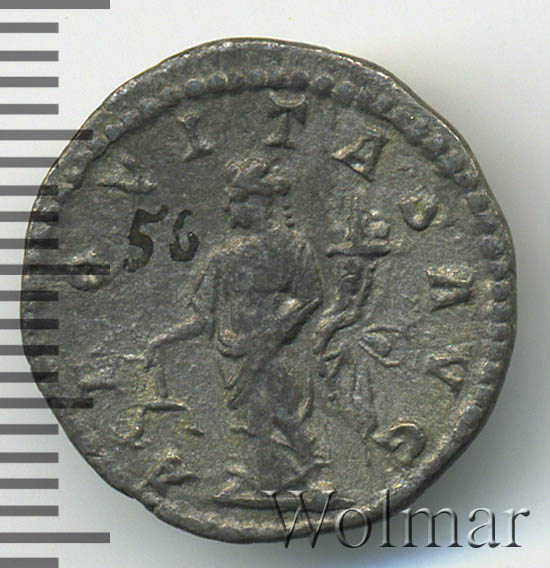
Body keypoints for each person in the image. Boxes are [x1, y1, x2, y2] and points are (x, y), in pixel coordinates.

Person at [146, 157, 325, 499]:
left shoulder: (293, 247)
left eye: (234, 200)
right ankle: (259, 481)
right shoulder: (224, 257)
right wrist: (163, 341)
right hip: (233, 352)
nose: (226, 208)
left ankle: (305, 478)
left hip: (277, 350)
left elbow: (310, 296)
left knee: (284, 415)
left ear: (256, 203)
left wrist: (271, 335)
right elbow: (203, 319)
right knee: (252, 420)